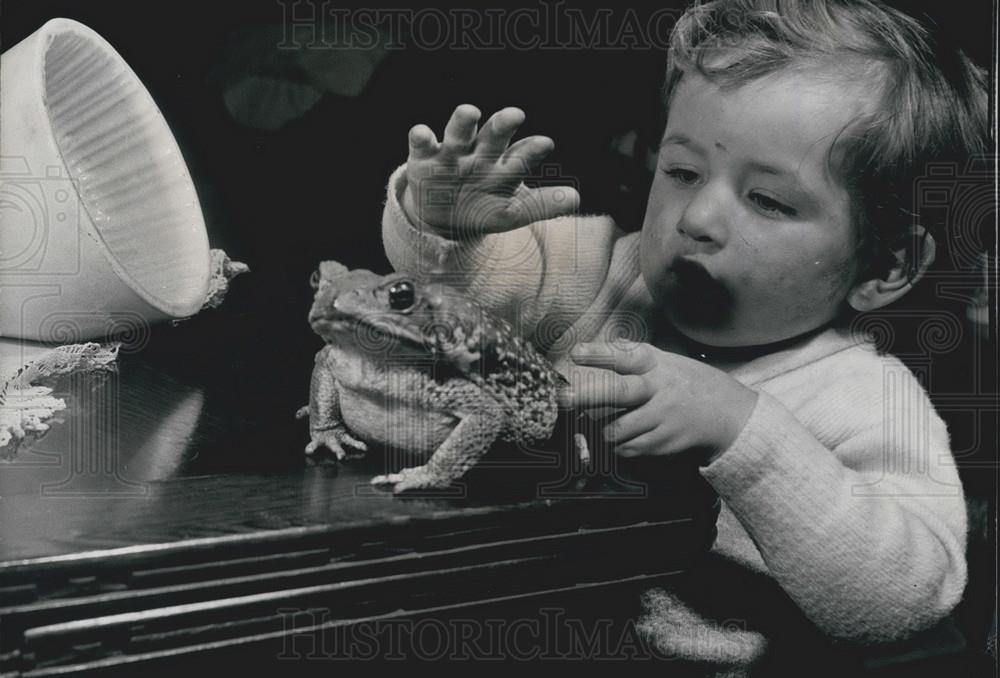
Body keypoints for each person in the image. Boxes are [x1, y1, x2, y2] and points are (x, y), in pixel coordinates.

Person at [378, 0, 989, 673]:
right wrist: (446, 227)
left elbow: (907, 598)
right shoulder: (605, 271)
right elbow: (461, 303)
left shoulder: (862, 396)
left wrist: (743, 434)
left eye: (769, 200)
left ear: (887, 264)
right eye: (682, 172)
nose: (697, 217)